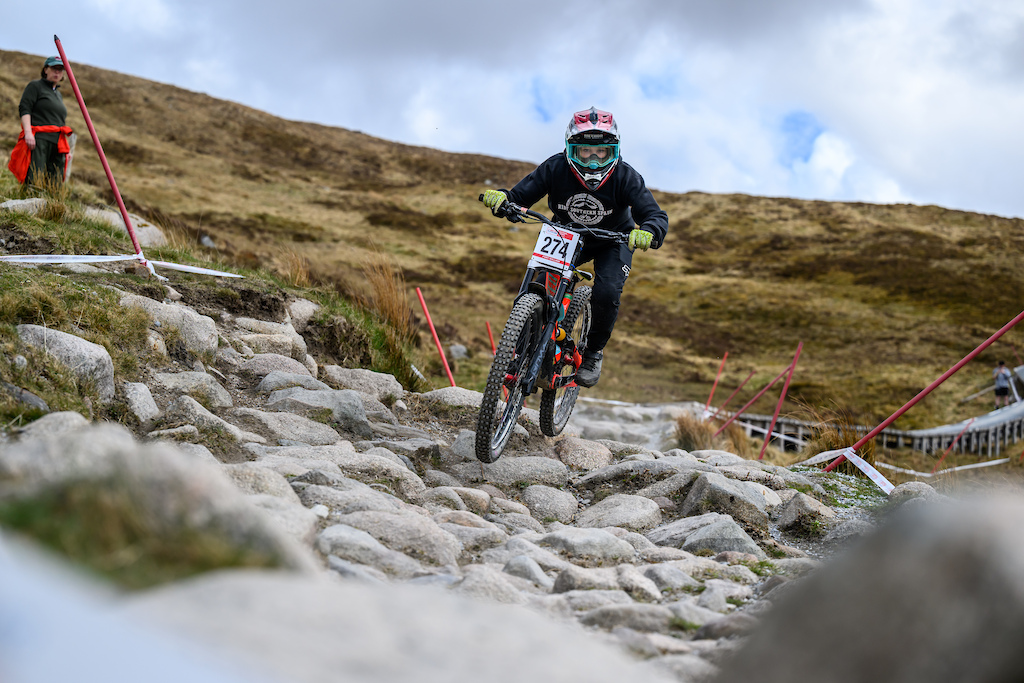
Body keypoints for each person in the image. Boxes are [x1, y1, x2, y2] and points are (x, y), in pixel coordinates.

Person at [482, 107, 668, 388]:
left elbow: (655, 215)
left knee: (606, 293)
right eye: (585, 152)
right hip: (565, 234)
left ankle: (593, 353)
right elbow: (518, 196)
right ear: (571, 149)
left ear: (614, 151)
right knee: (539, 284)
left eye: (601, 153)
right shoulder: (555, 168)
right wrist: (502, 199)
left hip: (613, 240)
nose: (593, 161)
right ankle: (522, 346)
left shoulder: (626, 177)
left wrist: (649, 232)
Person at [8, 56, 73, 187]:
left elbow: (59, 120)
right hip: (39, 139)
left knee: (55, 180)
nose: (57, 72)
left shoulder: (57, 94)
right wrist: (28, 133)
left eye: (60, 70)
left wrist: (67, 149)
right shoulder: (35, 86)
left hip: (57, 142)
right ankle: (29, 203)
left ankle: (51, 205)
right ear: (45, 70)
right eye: (54, 68)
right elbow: (25, 108)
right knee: (35, 176)